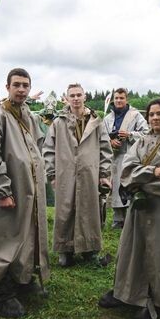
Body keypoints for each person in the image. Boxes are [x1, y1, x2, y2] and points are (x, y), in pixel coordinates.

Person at [98, 98, 160, 319]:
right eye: (151, 114)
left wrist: (143, 184)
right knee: (134, 248)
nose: (155, 118)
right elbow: (127, 170)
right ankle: (128, 292)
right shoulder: (140, 143)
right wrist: (151, 172)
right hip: (140, 207)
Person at [0, 67, 50, 318]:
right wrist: (2, 189)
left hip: (29, 190)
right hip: (9, 189)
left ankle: (22, 279)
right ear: (7, 87)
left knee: (27, 234)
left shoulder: (27, 114)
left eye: (25, 85)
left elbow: (35, 148)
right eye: (16, 85)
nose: (21, 89)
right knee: (3, 236)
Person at [44, 83, 113, 266]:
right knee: (65, 210)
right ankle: (65, 250)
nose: (75, 98)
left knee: (89, 211)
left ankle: (89, 249)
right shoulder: (58, 123)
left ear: (85, 97)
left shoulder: (96, 122)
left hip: (90, 172)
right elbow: (48, 150)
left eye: (78, 95)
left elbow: (105, 149)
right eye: (72, 95)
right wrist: (52, 174)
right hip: (64, 173)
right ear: (66, 99)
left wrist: (104, 173)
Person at [102, 88, 148, 229]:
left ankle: (130, 219)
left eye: (121, 98)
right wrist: (110, 142)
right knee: (115, 188)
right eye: (116, 98)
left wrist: (129, 134)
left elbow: (146, 133)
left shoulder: (135, 115)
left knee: (129, 186)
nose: (119, 100)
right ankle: (117, 219)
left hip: (130, 157)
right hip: (113, 158)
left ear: (126, 99)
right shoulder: (108, 118)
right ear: (113, 100)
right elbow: (101, 137)